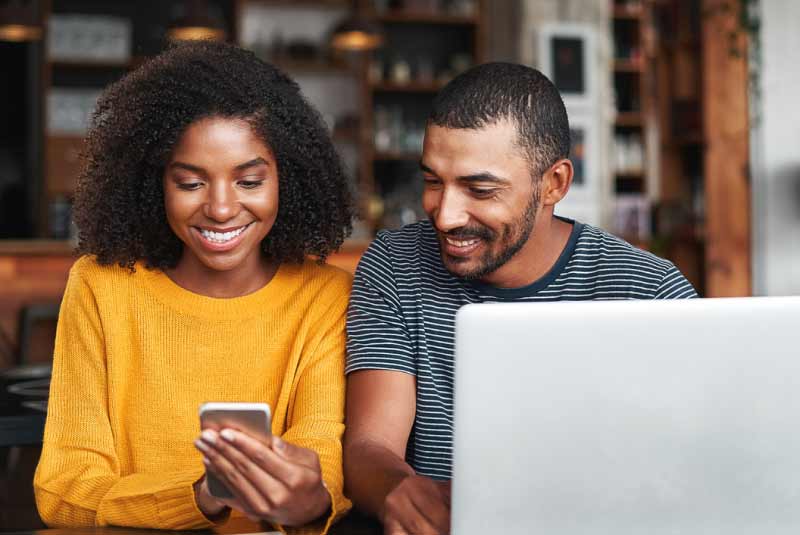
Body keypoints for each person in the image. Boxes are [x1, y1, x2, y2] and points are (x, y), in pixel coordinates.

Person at [344, 62, 697, 534]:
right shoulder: (395, 263)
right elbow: (370, 445)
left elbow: (691, 460)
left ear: (554, 184)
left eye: (480, 189)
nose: (445, 215)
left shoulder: (648, 291)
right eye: (432, 181)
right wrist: (398, 492)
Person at [34, 41, 353, 533]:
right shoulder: (101, 287)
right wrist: (202, 496)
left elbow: (322, 466)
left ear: (288, 182)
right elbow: (64, 489)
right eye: (190, 183)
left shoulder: (323, 296)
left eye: (249, 182)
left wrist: (310, 498)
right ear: (152, 183)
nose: (222, 209)